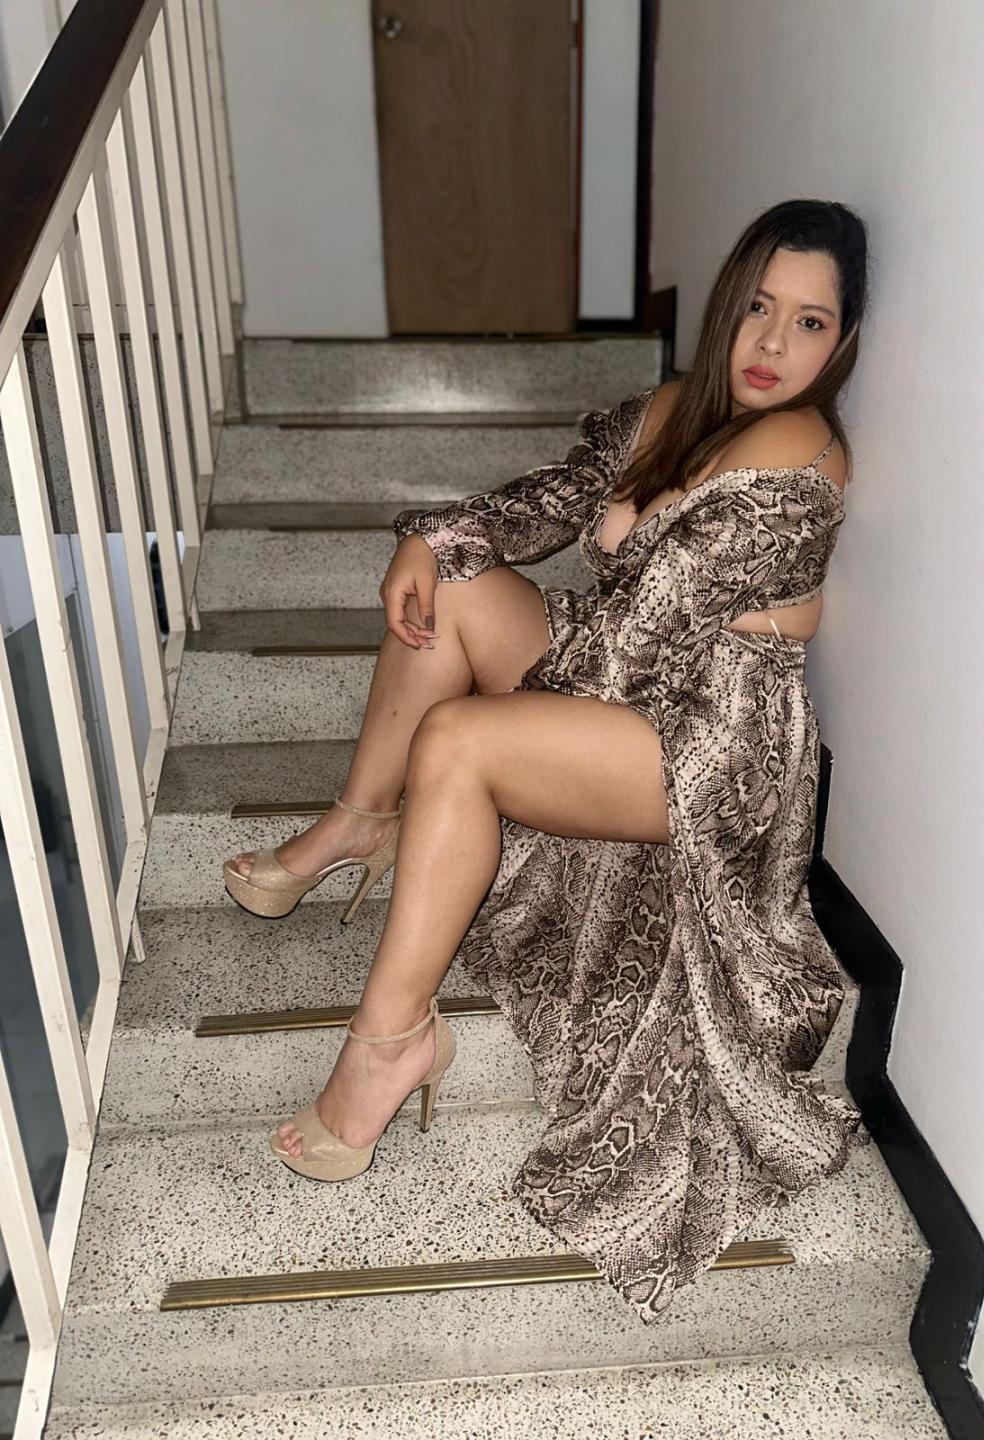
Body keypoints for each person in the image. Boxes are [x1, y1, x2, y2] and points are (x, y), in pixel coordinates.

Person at [225, 197, 875, 1324]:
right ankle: (362, 818)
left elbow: (637, 637)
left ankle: (391, 1043)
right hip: (622, 680)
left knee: (459, 740)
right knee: (454, 584)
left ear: (842, 341)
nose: (774, 344)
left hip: (710, 738)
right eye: (760, 308)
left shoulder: (796, 453)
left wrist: (619, 542)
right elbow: (552, 501)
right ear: (728, 303)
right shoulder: (679, 408)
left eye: (810, 323)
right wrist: (430, 537)